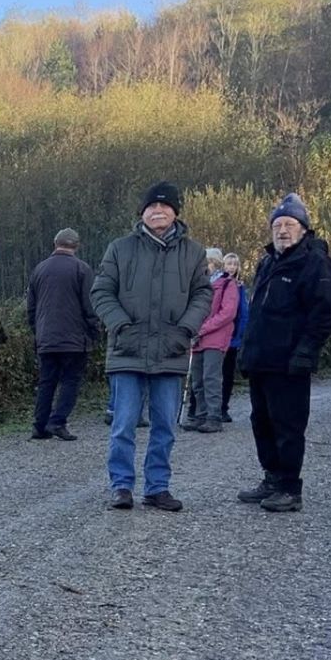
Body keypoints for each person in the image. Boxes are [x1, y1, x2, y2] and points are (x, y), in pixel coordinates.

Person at [90, 182, 211, 511]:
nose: (158, 211)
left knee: (165, 427)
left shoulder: (193, 252)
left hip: (171, 351)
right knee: (123, 424)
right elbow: (101, 292)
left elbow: (203, 294)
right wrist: (120, 325)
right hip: (127, 351)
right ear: (142, 213)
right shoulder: (120, 249)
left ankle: (158, 487)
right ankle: (121, 486)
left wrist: (185, 329)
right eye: (152, 206)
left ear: (175, 212)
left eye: (165, 206)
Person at [238, 194, 331, 513]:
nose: (282, 231)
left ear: (304, 228)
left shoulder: (315, 262)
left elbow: (323, 315)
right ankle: (272, 478)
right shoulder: (267, 262)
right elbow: (257, 312)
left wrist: (305, 353)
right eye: (277, 225)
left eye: (289, 224)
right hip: (262, 361)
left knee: (288, 425)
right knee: (261, 422)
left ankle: (290, 488)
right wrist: (246, 353)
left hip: (290, 363)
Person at [26, 228, 100, 440]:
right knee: (70, 381)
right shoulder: (82, 269)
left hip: (46, 337)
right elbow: (90, 305)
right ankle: (58, 422)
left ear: (55, 243)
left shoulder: (39, 269)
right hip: (74, 339)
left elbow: (31, 308)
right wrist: (94, 331)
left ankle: (39, 426)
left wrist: (38, 331)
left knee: (46, 381)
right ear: (76, 246)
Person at [181, 257, 243, 434]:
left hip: (216, 337)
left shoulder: (227, 284)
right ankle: (201, 415)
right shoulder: (199, 285)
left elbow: (228, 313)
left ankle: (214, 417)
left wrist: (203, 328)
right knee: (197, 379)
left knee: (211, 378)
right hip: (198, 338)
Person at [220, 252, 250, 422]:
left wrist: (241, 335)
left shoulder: (240, 288)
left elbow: (244, 313)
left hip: (233, 338)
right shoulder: (217, 284)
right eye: (229, 264)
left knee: (228, 374)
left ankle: (223, 407)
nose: (232, 267)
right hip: (217, 336)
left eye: (235, 264)